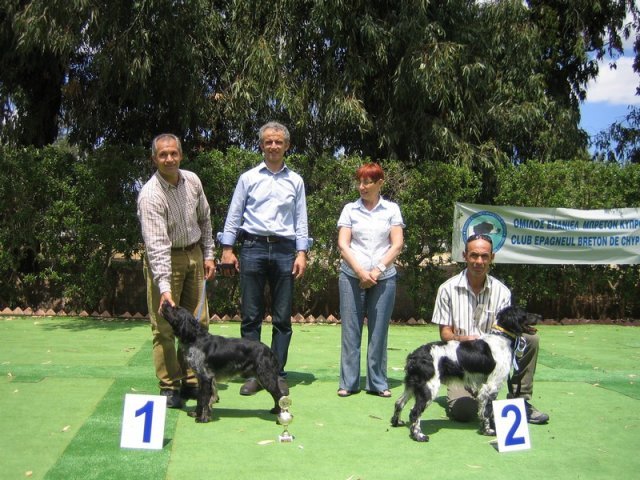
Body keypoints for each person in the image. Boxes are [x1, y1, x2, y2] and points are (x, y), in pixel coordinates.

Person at [218, 121, 311, 396]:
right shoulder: (248, 178)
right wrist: (227, 248)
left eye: (278, 142)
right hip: (253, 248)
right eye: (268, 142)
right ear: (261, 145)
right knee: (250, 317)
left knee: (282, 318)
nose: (273, 146)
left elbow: (301, 219)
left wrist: (302, 252)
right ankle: (254, 373)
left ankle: (277, 373)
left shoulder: (296, 181)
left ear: (287, 146)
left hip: (284, 251)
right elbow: (234, 214)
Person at [431, 233, 549, 424]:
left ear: (492, 258)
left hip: (492, 360)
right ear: (465, 256)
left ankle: (520, 401)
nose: (479, 261)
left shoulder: (502, 291)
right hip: (464, 364)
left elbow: (508, 331)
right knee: (464, 412)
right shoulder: (447, 289)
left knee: (530, 340)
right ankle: (472, 394)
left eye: (484, 256)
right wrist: (467, 340)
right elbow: (445, 334)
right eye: (474, 255)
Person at [137, 133, 216, 408]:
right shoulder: (150, 195)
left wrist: (208, 254)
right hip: (166, 261)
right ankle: (169, 385)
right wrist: (165, 288)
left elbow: (205, 219)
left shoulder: (193, 180)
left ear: (180, 155)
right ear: (154, 159)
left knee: (199, 323)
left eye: (173, 153)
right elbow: (156, 245)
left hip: (194, 254)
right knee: (164, 328)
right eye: (163, 155)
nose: (169, 159)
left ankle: (193, 380)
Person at [336, 163, 405, 398]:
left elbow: (397, 244)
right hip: (350, 276)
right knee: (351, 331)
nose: (362, 187)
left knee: (378, 332)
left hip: (384, 278)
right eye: (360, 182)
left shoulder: (392, 210)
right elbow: (343, 245)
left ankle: (377, 382)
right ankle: (349, 382)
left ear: (380, 183)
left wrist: (376, 271)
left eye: (367, 182)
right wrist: (360, 272)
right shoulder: (350, 209)